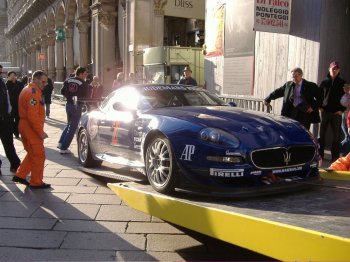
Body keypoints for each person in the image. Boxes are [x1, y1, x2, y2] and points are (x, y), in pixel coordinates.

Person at [12, 70, 49, 189]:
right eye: (43, 82)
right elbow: (32, 116)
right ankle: (36, 182)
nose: (45, 84)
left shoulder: (28, 89)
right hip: (30, 128)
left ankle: (20, 175)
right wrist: (40, 132)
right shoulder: (33, 93)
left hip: (24, 125)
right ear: (36, 80)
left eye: (46, 82)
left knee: (33, 154)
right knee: (39, 155)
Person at [319, 61, 347, 162]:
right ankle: (320, 156)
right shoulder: (324, 82)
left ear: (339, 70)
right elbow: (319, 96)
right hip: (325, 112)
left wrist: (342, 110)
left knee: (336, 136)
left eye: (336, 69)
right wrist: (319, 107)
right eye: (333, 69)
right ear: (329, 69)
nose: (334, 70)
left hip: (337, 113)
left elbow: (347, 97)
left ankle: (335, 157)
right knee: (321, 135)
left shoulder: (343, 83)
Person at [58, 66, 89, 154]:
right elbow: (86, 96)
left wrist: (69, 97)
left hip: (68, 104)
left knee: (69, 124)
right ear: (81, 73)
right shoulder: (83, 83)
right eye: (85, 73)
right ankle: (64, 148)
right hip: (77, 106)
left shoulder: (68, 80)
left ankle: (61, 143)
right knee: (73, 127)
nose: (86, 75)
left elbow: (62, 91)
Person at [0, 65, 21, 175]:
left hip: (5, 118)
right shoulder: (4, 83)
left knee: (9, 143)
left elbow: (6, 99)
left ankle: (15, 163)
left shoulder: (2, 83)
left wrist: (8, 112)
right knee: (8, 143)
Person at [6, 71, 25, 138]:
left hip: (18, 104)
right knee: (10, 119)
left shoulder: (20, 84)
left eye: (14, 75)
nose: (13, 77)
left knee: (18, 119)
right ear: (8, 77)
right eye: (11, 75)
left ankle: (16, 132)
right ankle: (14, 130)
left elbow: (23, 93)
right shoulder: (7, 84)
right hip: (10, 105)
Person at [340, 83, 350, 155]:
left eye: (346, 88)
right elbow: (344, 104)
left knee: (347, 137)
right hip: (346, 117)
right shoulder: (344, 96)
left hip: (347, 117)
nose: (345, 89)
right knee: (347, 136)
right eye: (344, 88)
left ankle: (340, 150)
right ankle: (342, 151)